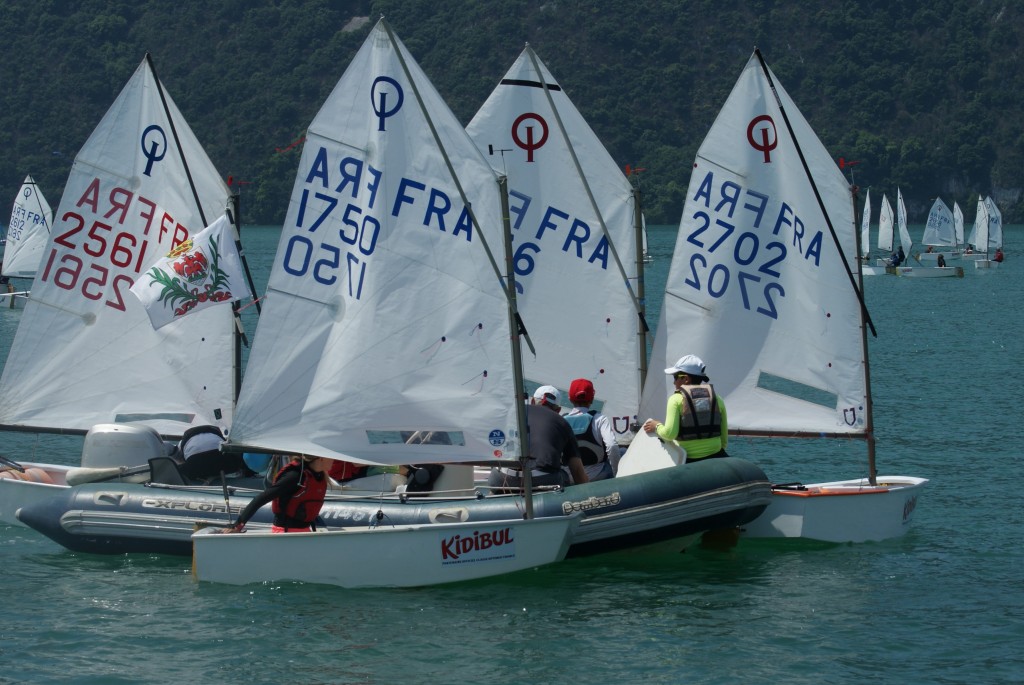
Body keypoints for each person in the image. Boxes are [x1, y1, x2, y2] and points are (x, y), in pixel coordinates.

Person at [487, 385, 588, 490]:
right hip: (541, 480)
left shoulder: (513, 412)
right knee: (564, 475)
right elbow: (577, 470)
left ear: (532, 401)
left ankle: (492, 495)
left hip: (503, 477)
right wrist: (587, 492)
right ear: (558, 410)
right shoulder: (563, 423)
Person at [642, 354, 729, 461]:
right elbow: (724, 439)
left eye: (675, 377)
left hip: (689, 459)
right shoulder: (717, 399)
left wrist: (656, 426)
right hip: (716, 455)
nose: (674, 382)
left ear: (686, 379)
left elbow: (669, 434)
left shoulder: (676, 399)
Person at [224, 454, 331, 533]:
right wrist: (237, 525)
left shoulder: (319, 476)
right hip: (285, 533)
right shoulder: (295, 476)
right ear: (321, 458)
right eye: (331, 457)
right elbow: (261, 498)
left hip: (304, 531)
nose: (333, 460)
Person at [562, 378, 620, 481]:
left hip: (569, 477)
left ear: (570, 399)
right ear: (592, 399)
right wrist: (616, 474)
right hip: (597, 475)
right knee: (623, 451)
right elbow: (612, 446)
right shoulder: (600, 418)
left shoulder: (561, 420)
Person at [178, 425, 254, 481]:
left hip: (194, 462)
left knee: (180, 472)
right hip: (219, 456)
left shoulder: (182, 442)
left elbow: (177, 456)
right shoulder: (216, 434)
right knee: (239, 463)